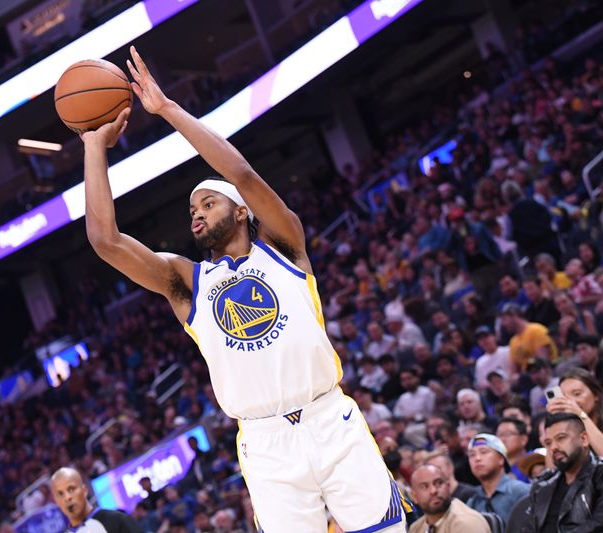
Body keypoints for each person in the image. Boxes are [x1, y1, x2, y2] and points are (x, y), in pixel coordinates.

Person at [80, 46, 407, 532]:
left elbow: (242, 173)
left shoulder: (283, 244)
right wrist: (92, 146)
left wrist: (167, 109)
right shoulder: (187, 282)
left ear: (240, 212)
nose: (196, 213)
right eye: (192, 209)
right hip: (265, 442)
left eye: (208, 203)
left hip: (329, 417)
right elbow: (105, 241)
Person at [520, 413, 603, 532]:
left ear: (584, 439)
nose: (553, 447)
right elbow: (529, 527)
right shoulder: (543, 482)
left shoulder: (599, 474)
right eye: (548, 443)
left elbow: (599, 523)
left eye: (561, 438)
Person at [50, 467, 142, 532]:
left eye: (71, 489)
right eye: (60, 494)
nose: (67, 497)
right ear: (56, 501)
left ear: (84, 490)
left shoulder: (118, 521)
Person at [409, 464, 491, 533]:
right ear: (414, 496)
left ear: (448, 487)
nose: (433, 491)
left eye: (438, 483)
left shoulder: (467, 523)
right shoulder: (415, 528)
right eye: (425, 487)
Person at [466, 434, 530, 523]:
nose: (477, 458)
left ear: (501, 459)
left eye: (484, 452)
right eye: (472, 455)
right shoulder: (473, 502)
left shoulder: (521, 491)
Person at [547, 367, 603, 457]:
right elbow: (554, 468)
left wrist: (581, 414)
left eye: (577, 394)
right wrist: (554, 423)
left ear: (595, 394)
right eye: (565, 396)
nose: (571, 401)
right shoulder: (569, 429)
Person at [499, 303, 558, 371]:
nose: (503, 324)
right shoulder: (513, 341)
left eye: (504, 319)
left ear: (514, 316)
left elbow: (543, 363)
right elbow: (513, 371)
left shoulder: (536, 330)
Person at [474, 326, 513, 391]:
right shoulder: (480, 362)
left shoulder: (507, 351)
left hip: (510, 386)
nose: (484, 341)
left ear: (494, 336)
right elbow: (481, 384)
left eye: (486, 337)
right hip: (492, 393)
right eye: (480, 339)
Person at [495, 418, 530, 483]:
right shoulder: (495, 468)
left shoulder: (534, 461)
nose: (502, 439)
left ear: (523, 439)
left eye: (507, 434)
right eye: (499, 435)